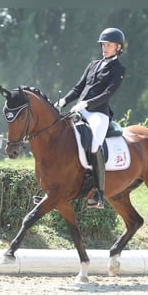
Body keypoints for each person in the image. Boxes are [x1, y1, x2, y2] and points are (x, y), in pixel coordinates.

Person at [55, 27, 126, 209]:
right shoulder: (93, 64)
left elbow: (108, 93)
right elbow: (78, 88)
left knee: (94, 145)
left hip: (98, 114)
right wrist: (64, 100)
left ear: (118, 47)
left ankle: (99, 193)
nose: (104, 47)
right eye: (103, 44)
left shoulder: (118, 69)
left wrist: (87, 104)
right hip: (79, 109)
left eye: (108, 45)